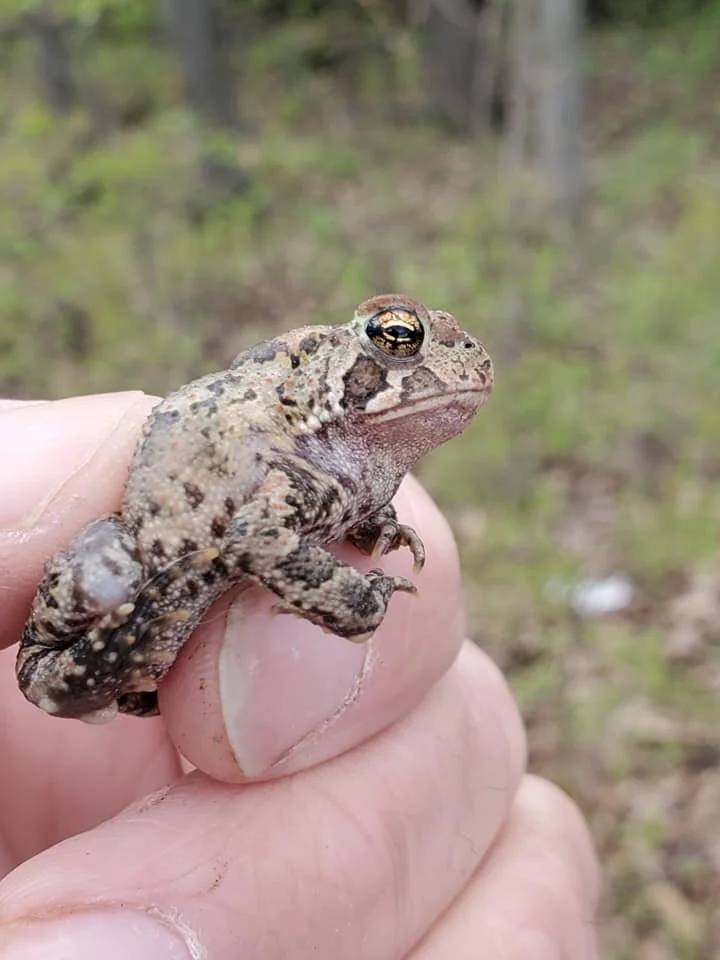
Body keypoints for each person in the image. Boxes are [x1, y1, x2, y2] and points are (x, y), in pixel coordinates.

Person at [0, 394, 599, 959]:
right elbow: (257, 537)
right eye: (398, 337)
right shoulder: (287, 444)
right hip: (117, 595)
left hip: (149, 644)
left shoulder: (332, 470)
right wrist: (355, 604)